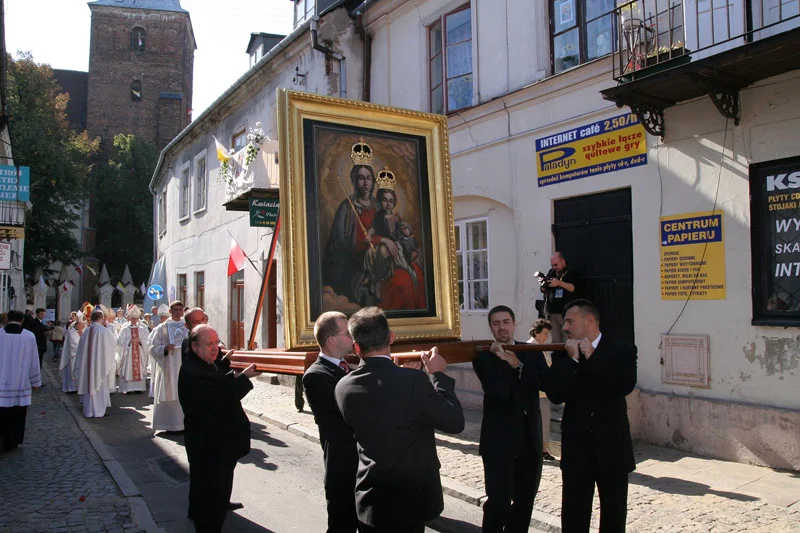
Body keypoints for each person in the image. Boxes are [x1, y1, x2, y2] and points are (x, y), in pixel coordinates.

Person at [334, 307, 464, 533]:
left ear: (356, 347)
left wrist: (401, 375)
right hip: (410, 501)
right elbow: (454, 421)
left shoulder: (342, 386)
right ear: (391, 337)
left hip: (371, 500)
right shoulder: (412, 381)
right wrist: (438, 376)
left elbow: (382, 400)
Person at [548, 299, 638, 533]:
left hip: (612, 449)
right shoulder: (563, 354)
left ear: (589, 321)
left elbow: (623, 386)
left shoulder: (622, 350)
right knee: (574, 516)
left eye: (570, 321)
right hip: (577, 451)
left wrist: (594, 358)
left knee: (614, 516)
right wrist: (573, 360)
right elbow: (556, 394)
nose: (565, 326)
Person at [473, 305, 550, 533]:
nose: (502, 327)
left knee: (524, 504)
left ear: (514, 324)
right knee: (498, 504)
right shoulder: (483, 357)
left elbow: (544, 382)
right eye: (496, 323)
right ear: (491, 328)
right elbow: (500, 392)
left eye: (506, 322)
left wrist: (517, 364)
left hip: (530, 441)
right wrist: (505, 362)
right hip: (499, 444)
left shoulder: (531, 352)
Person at [179, 324, 258, 533]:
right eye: (209, 344)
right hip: (209, 447)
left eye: (216, 343)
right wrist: (243, 379)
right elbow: (220, 398)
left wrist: (225, 362)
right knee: (209, 500)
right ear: (194, 347)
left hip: (219, 446)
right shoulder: (194, 372)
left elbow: (218, 377)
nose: (215, 348)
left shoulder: (204, 363)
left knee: (216, 496)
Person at [303, 311, 358, 532]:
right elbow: (349, 411)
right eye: (348, 333)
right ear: (332, 340)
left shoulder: (350, 367)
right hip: (343, 467)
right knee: (342, 525)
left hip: (363, 464)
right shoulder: (316, 375)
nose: (353, 338)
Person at [0, 310, 42, 451]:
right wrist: (35, 381)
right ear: (22, 320)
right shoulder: (29, 336)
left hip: (2, 381)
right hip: (20, 382)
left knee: (2, 412)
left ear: (7, 319)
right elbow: (34, 360)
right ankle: (13, 441)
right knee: (17, 414)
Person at [148, 301, 186, 433]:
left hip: (184, 366)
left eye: (180, 309)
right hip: (168, 366)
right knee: (169, 393)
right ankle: (170, 425)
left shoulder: (187, 327)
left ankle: (183, 424)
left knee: (184, 394)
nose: (178, 312)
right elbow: (152, 348)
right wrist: (164, 348)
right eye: (175, 309)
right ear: (170, 311)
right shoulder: (161, 328)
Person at [73, 310, 118, 418]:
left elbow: (80, 350)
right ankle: (98, 412)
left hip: (87, 367)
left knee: (89, 386)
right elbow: (113, 345)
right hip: (100, 367)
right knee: (100, 387)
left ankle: (89, 411)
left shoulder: (86, 331)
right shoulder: (104, 331)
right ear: (102, 318)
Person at [528, 318, 557, 461]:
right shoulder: (530, 348)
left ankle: (543, 448)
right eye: (544, 333)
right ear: (536, 333)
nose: (546, 337)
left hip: (544, 394)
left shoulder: (541, 349)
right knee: (540, 422)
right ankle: (540, 449)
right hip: (536, 394)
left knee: (545, 422)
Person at [541, 251, 583, 342]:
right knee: (555, 340)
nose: (554, 267)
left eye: (556, 265)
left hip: (566, 311)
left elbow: (573, 288)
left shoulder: (572, 272)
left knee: (568, 338)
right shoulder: (552, 272)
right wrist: (544, 286)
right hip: (553, 311)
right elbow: (545, 288)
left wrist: (559, 283)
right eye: (552, 265)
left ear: (563, 261)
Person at [116, 306, 150, 394]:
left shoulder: (143, 328)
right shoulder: (125, 329)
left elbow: (147, 341)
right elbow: (120, 342)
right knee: (128, 368)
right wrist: (129, 341)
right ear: (129, 318)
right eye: (133, 318)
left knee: (139, 367)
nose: (134, 320)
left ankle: (138, 388)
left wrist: (140, 340)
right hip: (129, 353)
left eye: (136, 318)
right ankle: (129, 388)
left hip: (139, 351)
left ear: (138, 318)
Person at [59, 313, 86, 393]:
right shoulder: (71, 333)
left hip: (81, 355)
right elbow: (74, 345)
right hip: (73, 356)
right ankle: (72, 387)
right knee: (72, 370)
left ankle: (79, 387)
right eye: (82, 325)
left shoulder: (84, 331)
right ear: (77, 325)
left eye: (84, 325)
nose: (83, 327)